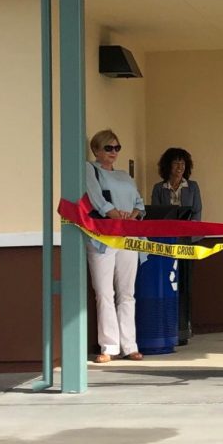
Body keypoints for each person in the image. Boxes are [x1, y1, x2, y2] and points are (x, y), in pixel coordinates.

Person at [85, 129, 146, 364]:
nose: (113, 152)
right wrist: (114, 215)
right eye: (108, 148)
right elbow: (97, 200)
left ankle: (130, 344)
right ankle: (109, 345)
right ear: (97, 150)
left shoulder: (125, 177)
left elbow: (140, 204)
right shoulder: (90, 170)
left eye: (116, 148)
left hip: (127, 236)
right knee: (104, 292)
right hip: (102, 237)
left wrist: (133, 215)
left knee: (127, 293)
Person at [150, 147, 202, 220]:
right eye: (176, 163)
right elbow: (155, 214)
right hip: (166, 228)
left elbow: (197, 211)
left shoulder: (193, 186)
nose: (180, 167)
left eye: (182, 163)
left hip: (188, 229)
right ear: (168, 165)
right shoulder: (158, 188)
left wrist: (190, 228)